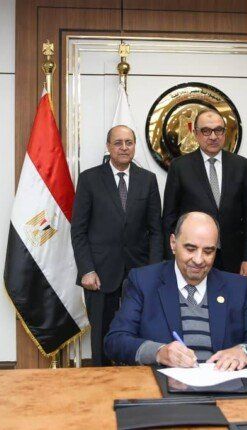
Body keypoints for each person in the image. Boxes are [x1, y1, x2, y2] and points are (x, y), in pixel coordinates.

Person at [105, 211, 247, 368]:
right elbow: (115, 341)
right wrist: (158, 352)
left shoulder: (235, 287)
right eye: (190, 249)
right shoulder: (144, 281)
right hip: (163, 385)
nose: (198, 260)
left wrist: (243, 351)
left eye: (208, 251)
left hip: (221, 384)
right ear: (173, 243)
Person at [71, 125, 163, 366]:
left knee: (141, 331)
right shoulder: (89, 179)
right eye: (118, 143)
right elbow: (78, 230)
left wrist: (153, 271)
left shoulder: (148, 180)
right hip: (100, 273)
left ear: (135, 146)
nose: (124, 148)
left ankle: (137, 380)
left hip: (139, 272)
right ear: (108, 146)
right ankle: (102, 382)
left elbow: (156, 231)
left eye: (129, 142)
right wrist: (87, 269)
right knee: (101, 335)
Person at [162, 109, 247, 277]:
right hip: (193, 257)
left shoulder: (241, 165)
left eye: (218, 130)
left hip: (233, 257)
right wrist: (172, 256)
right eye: (206, 131)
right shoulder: (180, 166)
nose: (213, 136)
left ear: (224, 133)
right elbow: (170, 217)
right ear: (195, 133)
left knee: (230, 295)